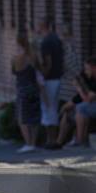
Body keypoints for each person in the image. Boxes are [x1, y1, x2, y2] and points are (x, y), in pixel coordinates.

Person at [56, 57, 96, 148]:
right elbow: (79, 98)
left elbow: (88, 99)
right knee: (68, 110)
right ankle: (59, 142)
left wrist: (78, 87)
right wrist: (63, 109)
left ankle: (79, 140)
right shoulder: (88, 77)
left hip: (91, 104)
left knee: (81, 108)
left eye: (87, 69)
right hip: (90, 104)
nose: (85, 71)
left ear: (94, 68)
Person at [37, 18, 64, 149]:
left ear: (44, 26)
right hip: (58, 77)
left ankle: (51, 140)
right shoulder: (57, 39)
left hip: (49, 79)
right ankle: (53, 139)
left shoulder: (46, 42)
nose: (38, 28)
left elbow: (48, 62)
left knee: (48, 108)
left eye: (40, 25)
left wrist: (42, 75)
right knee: (52, 107)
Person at [12, 35, 41, 153]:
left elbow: (14, 72)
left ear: (19, 44)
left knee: (22, 118)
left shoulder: (16, 59)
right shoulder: (34, 57)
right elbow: (39, 69)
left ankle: (28, 143)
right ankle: (33, 143)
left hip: (23, 90)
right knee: (34, 117)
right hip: (34, 89)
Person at [59, 23, 82, 104]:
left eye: (66, 35)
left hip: (71, 90)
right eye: (63, 35)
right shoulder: (66, 51)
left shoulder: (70, 50)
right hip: (66, 91)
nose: (63, 38)